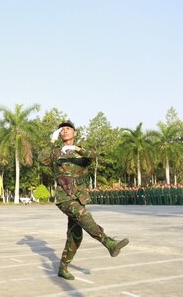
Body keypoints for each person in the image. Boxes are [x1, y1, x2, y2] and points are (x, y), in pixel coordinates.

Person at [40, 120, 129, 280]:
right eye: (62, 130)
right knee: (84, 216)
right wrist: (52, 141)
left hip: (79, 196)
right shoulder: (56, 153)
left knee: (75, 236)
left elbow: (92, 156)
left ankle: (63, 268)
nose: (64, 131)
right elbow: (41, 159)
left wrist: (75, 148)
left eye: (68, 129)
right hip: (64, 197)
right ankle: (108, 243)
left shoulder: (81, 152)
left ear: (75, 133)